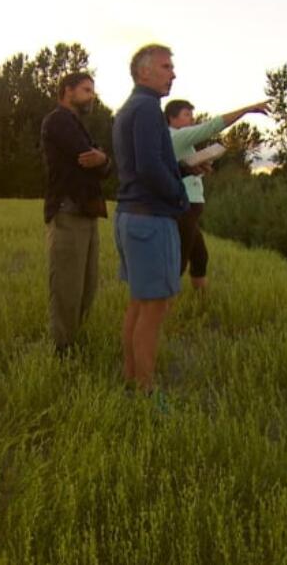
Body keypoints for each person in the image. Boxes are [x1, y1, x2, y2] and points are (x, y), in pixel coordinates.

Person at [111, 44, 187, 395]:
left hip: (130, 216)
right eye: (166, 66)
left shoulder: (130, 108)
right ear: (144, 72)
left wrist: (182, 169)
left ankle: (131, 379)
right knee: (154, 310)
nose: (172, 73)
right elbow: (149, 167)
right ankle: (146, 392)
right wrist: (178, 195)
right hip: (149, 221)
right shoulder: (147, 109)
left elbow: (148, 162)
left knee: (140, 304)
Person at [40, 72, 111, 356]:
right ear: (67, 91)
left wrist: (103, 159)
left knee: (87, 285)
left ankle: (75, 341)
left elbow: (103, 166)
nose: (91, 95)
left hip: (86, 212)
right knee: (67, 287)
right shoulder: (58, 120)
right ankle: (63, 349)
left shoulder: (76, 124)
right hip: (67, 211)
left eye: (92, 90)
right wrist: (101, 159)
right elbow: (86, 158)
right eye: (86, 90)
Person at [165, 99, 268, 290]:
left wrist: (201, 165)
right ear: (172, 118)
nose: (192, 119)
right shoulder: (177, 137)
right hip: (184, 208)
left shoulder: (180, 140)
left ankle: (200, 304)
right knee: (178, 264)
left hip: (190, 209)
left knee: (200, 257)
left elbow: (183, 169)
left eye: (192, 115)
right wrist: (245, 109)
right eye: (187, 115)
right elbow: (212, 127)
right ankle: (161, 307)